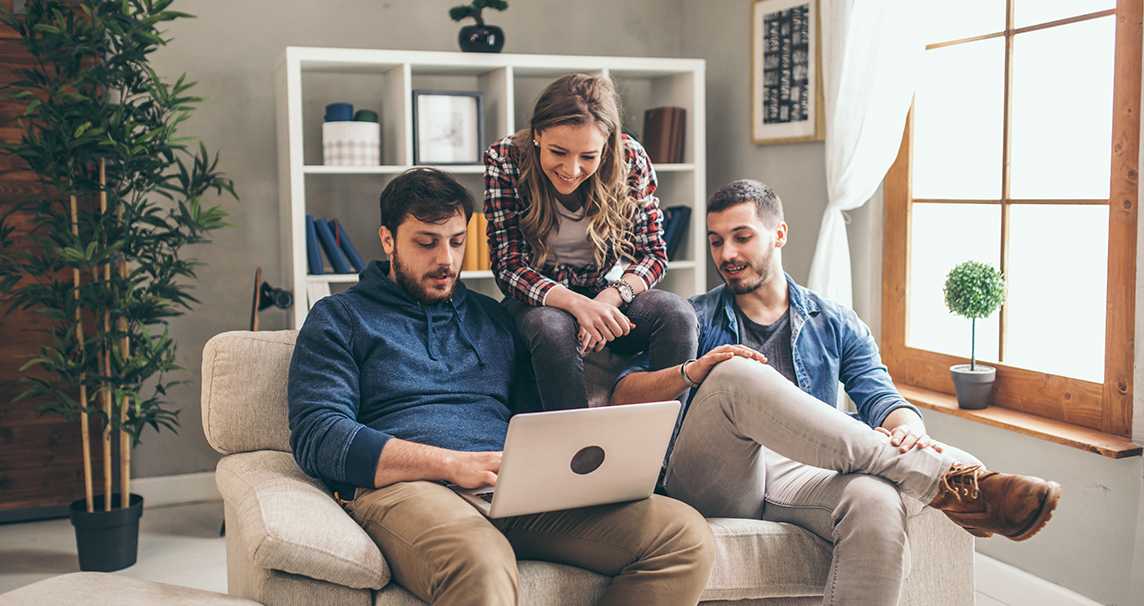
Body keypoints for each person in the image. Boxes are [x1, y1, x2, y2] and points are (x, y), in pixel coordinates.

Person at [611, 179, 1061, 606]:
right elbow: (622, 393)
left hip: (803, 471)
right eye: (716, 241)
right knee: (734, 373)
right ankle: (946, 479)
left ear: (779, 234)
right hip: (717, 476)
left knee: (876, 501)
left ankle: (932, 471)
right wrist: (695, 370)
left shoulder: (835, 321)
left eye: (741, 237)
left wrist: (908, 431)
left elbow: (882, 397)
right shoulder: (694, 316)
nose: (727, 253)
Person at [287, 168, 715, 606]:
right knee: (483, 561)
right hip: (408, 489)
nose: (447, 260)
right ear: (387, 240)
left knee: (682, 535)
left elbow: (536, 418)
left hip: (510, 484)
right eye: (426, 242)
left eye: (456, 241)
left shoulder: (492, 317)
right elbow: (318, 434)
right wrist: (452, 464)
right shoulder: (338, 317)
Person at [483, 73, 696, 410]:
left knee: (677, 314)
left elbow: (653, 254)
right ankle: (576, 453)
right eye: (558, 152)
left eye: (588, 156)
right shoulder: (506, 159)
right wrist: (575, 304)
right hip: (538, 299)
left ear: (607, 145)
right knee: (552, 328)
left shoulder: (629, 159)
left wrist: (611, 298)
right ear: (537, 134)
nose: (571, 169)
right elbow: (508, 265)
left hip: (607, 291)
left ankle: (666, 447)